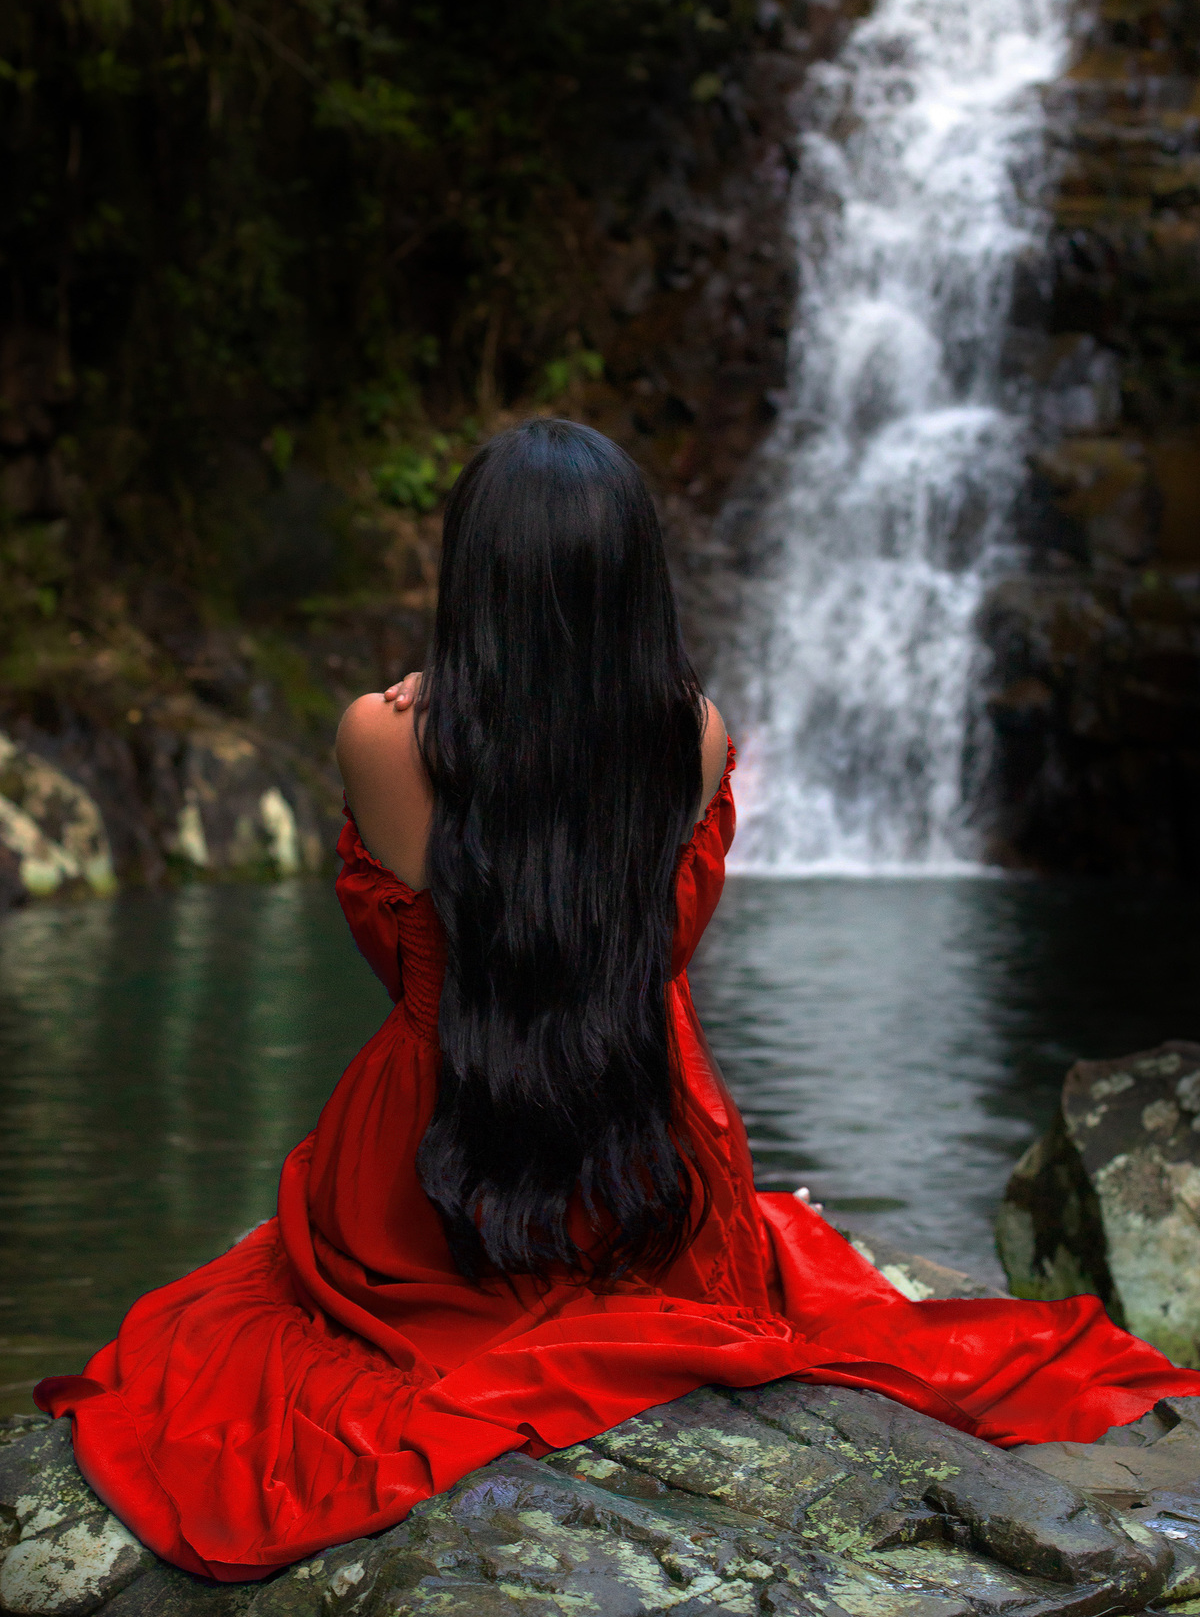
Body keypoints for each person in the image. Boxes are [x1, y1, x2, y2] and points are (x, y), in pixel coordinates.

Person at [36, 418, 1200, 1581]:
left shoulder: (380, 737)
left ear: (475, 575)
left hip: (419, 1178)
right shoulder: (692, 739)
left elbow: (404, 966)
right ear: (635, 577)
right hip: (649, 1164)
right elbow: (662, 952)